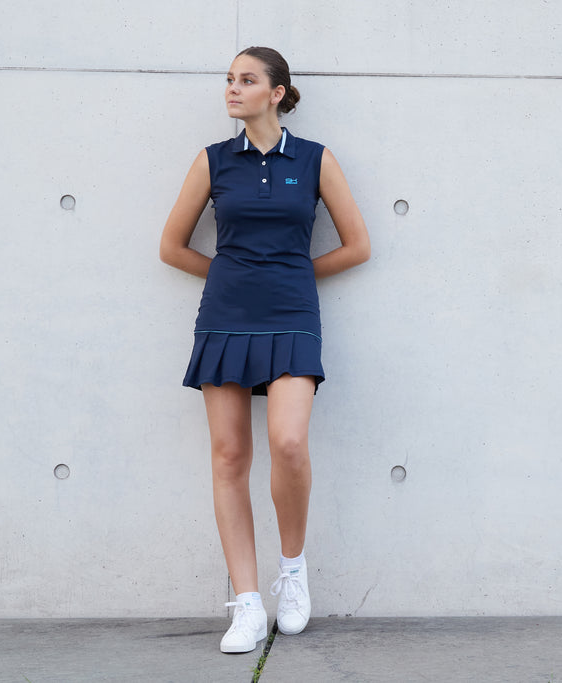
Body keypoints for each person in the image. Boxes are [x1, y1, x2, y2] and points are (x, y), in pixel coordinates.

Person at [159, 46, 370, 654]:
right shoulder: (212, 160)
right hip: (226, 316)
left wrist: (291, 276)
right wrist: (235, 276)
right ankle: (248, 604)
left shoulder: (315, 159)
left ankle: (293, 572)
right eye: (229, 79)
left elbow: (357, 245)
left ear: (276, 93)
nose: (232, 88)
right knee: (229, 456)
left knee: (289, 442)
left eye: (246, 80)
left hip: (292, 315)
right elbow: (172, 247)